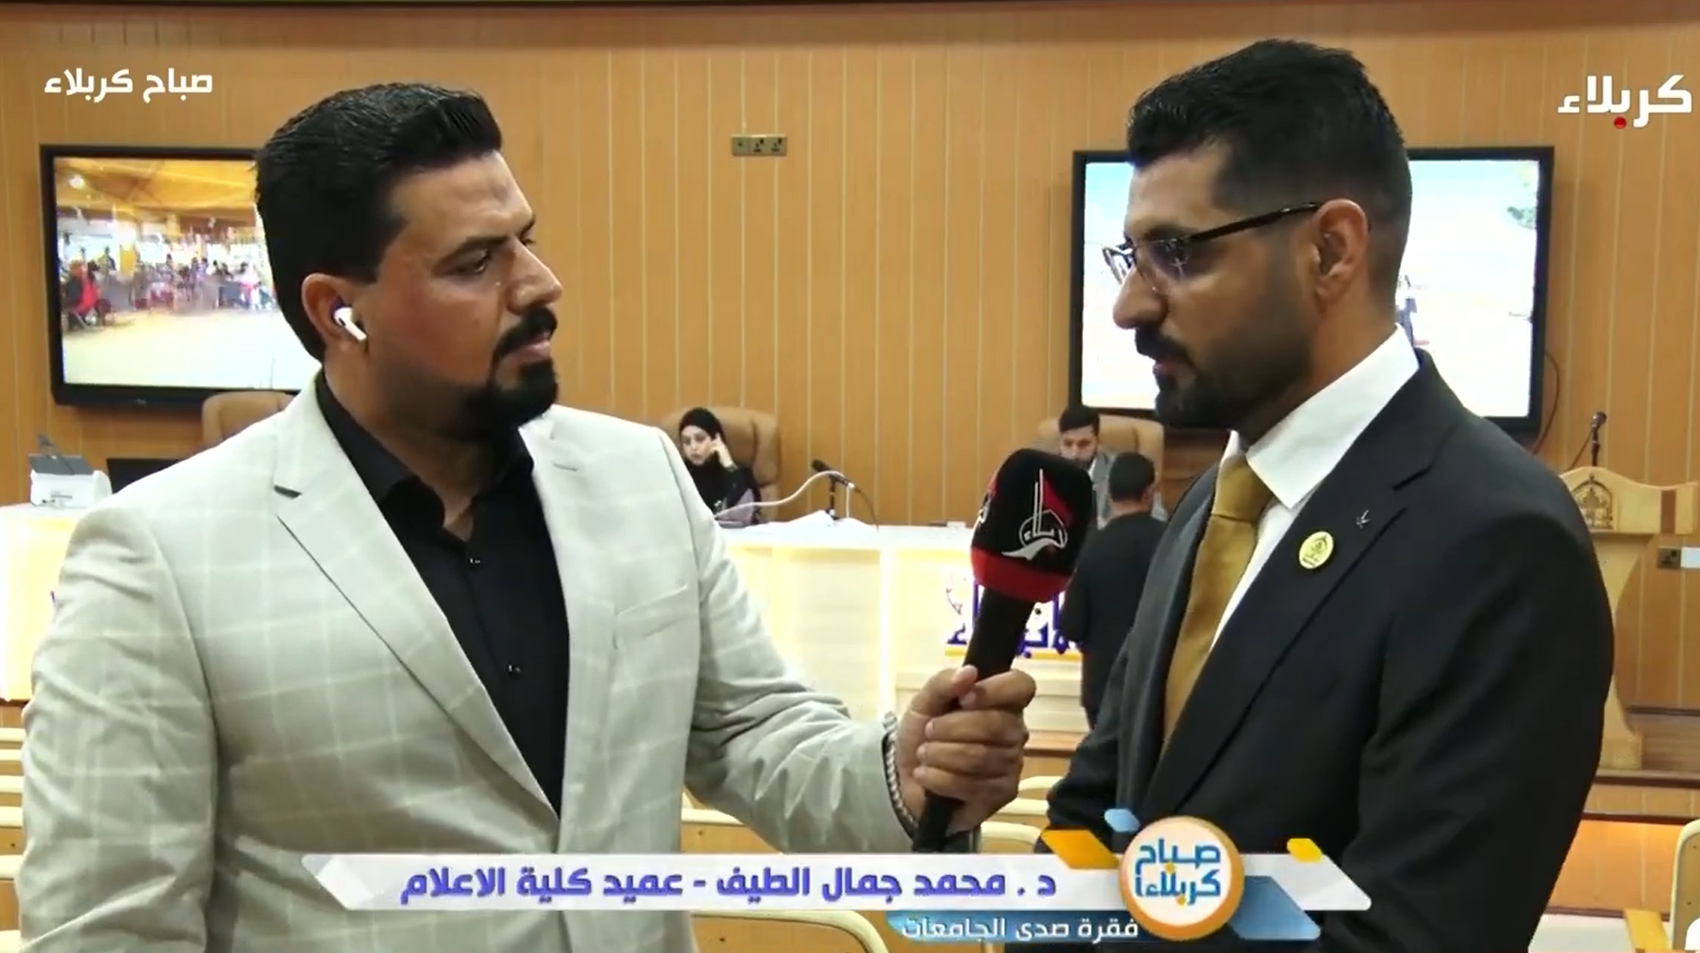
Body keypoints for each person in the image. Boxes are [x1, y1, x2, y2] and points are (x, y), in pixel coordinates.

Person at [20, 83, 1037, 953]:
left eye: (526, 239)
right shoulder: (159, 555)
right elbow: (108, 927)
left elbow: (751, 732)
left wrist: (902, 773)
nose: (540, 284)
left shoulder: (638, 477)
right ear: (339, 311)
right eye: (476, 262)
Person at [1025, 40, 1611, 952]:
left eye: (1176, 252)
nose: (1129, 306)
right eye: (1128, 256)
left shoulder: (1499, 543)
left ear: (1331, 252)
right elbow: (1097, 819)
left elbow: (1409, 937)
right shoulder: (1214, 504)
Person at [1056, 452, 1164, 728]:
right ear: (1149, 492)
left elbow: (1071, 626)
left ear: (1108, 493)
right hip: (1155, 688)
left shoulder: (1090, 547)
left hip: (1101, 691)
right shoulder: (1173, 541)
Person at [676, 407, 760, 527]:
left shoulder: (739, 475)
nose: (693, 447)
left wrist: (728, 464)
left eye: (700, 439)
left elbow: (741, 517)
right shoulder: (679, 475)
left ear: (716, 439)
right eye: (686, 441)